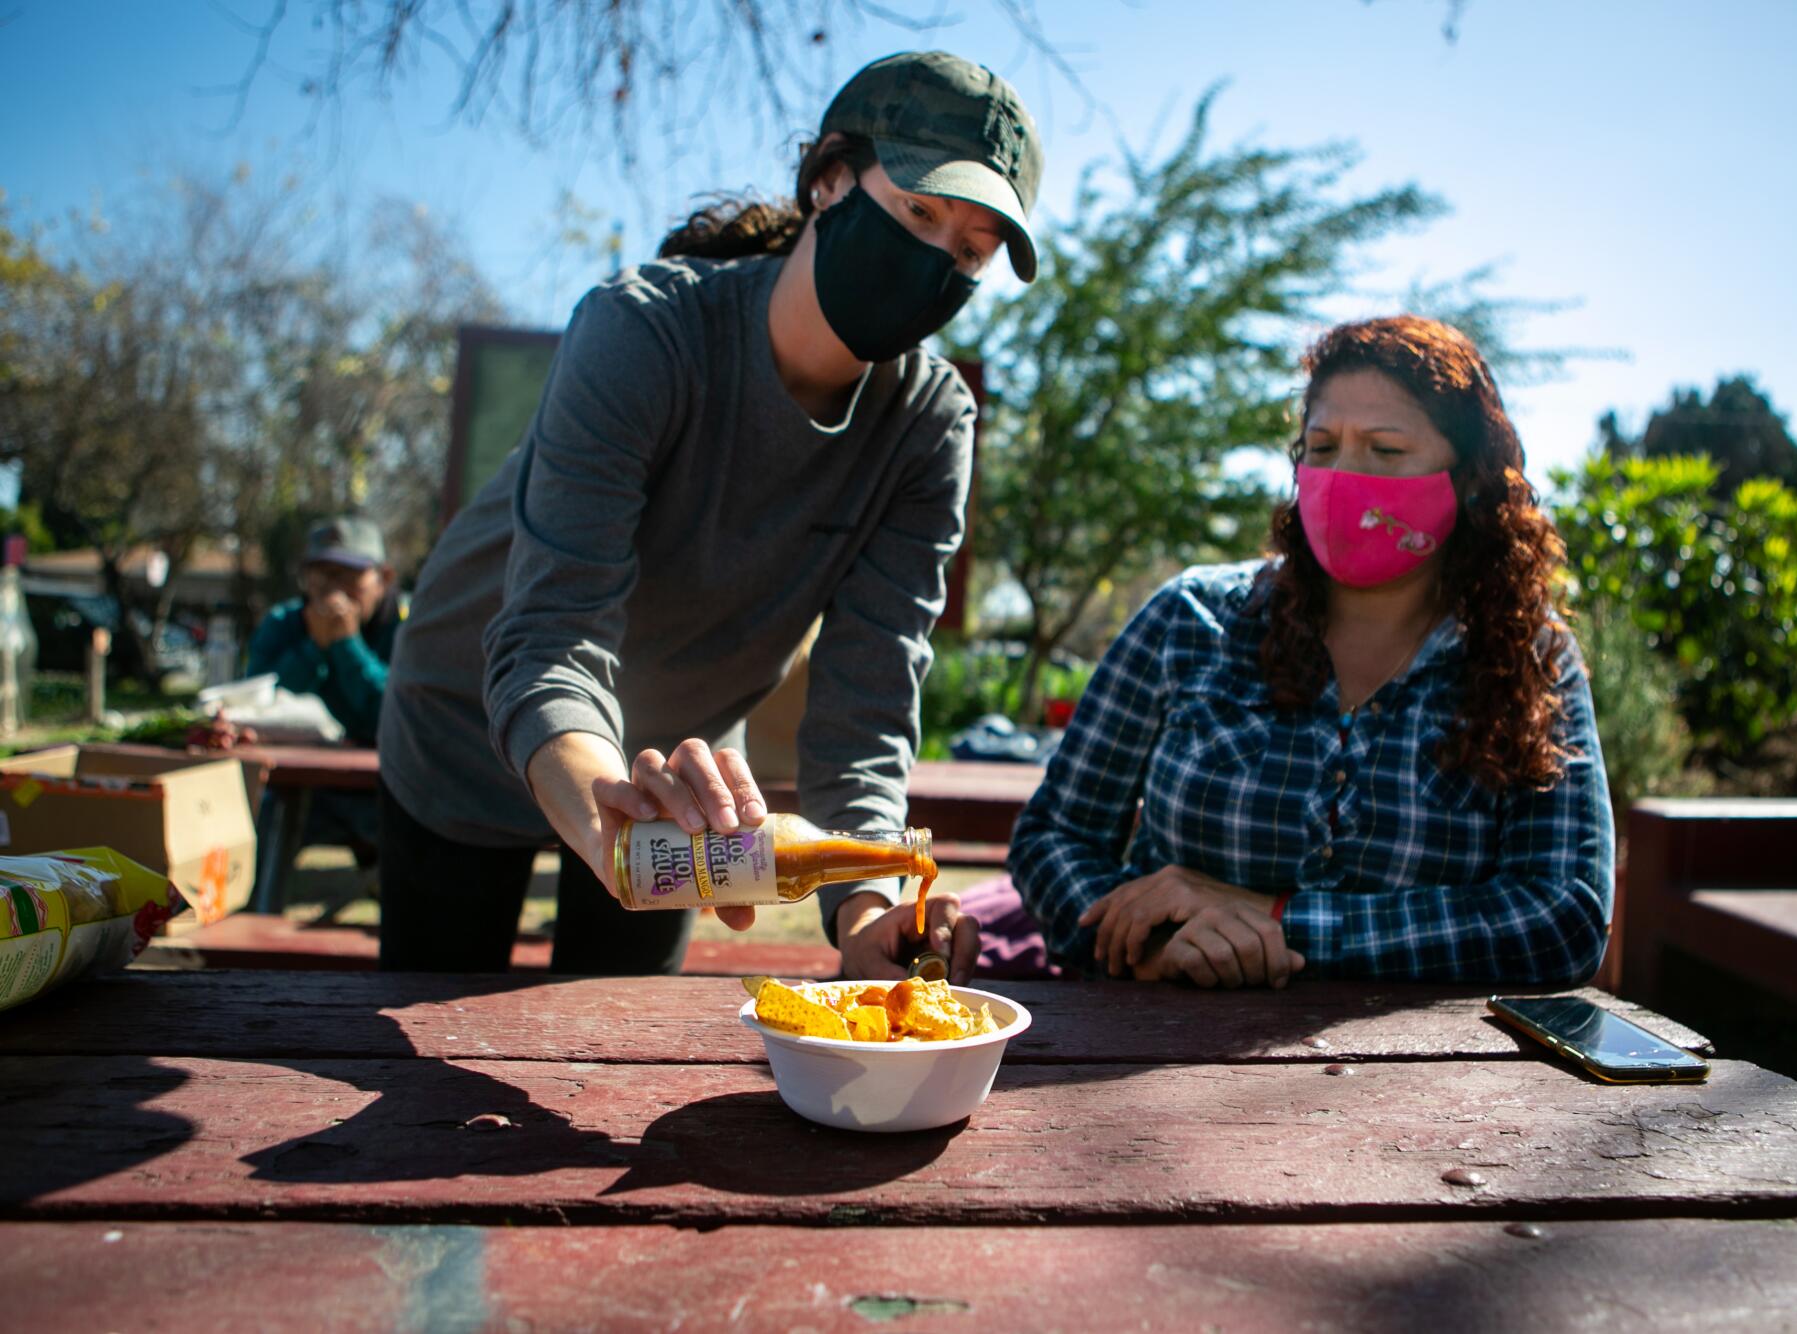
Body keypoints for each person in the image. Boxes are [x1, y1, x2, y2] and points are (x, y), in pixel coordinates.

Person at [376, 51, 1043, 980]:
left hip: (681, 776)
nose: (935, 260)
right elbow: (550, 634)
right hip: (467, 723)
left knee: (616, 1049)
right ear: (829, 181)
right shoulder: (642, 333)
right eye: (919, 212)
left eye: (969, 252)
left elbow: (869, 695)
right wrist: (606, 808)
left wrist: (866, 908)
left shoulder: (929, 428)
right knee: (418, 1063)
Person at [1007, 316, 1615, 989]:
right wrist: (1149, 944)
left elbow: (1564, 916)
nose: (1343, 476)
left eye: (1385, 451)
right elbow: (1054, 839)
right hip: (1157, 1055)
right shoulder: (1190, 621)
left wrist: (1279, 921)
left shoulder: (1531, 659)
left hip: (1434, 1081)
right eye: (1321, 447)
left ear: (1469, 478)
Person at [244, 514, 402, 859]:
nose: (332, 590)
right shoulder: (283, 623)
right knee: (260, 813)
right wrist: (313, 649)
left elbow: (395, 715)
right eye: (320, 575)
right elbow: (256, 704)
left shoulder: (410, 627)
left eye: (347, 575)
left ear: (383, 577)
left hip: (393, 787)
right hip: (302, 788)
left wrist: (347, 645)